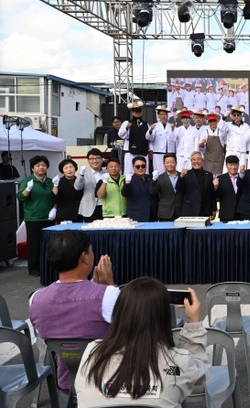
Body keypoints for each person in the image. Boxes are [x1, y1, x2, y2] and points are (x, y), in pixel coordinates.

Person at [75, 277, 208, 407]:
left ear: (120, 312)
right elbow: (200, 372)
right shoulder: (178, 363)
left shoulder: (92, 353)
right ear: (164, 316)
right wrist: (193, 324)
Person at [29, 230, 119, 390]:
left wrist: (96, 286)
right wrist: (110, 285)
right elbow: (133, 326)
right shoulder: (108, 295)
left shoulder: (36, 299)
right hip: (107, 380)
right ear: (84, 257)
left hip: (67, 382)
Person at [17, 155, 55, 276]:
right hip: (33, 217)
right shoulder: (28, 181)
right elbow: (20, 197)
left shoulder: (50, 181)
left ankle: (46, 266)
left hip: (48, 217)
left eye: (43, 165)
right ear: (33, 168)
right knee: (34, 244)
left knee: (48, 243)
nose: (41, 167)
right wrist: (27, 189)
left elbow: (55, 197)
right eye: (38, 165)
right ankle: (33, 268)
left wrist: (54, 209)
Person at [179, 151, 216, 219]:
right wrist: (181, 177)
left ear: (203, 161)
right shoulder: (186, 174)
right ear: (191, 161)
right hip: (189, 210)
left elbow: (212, 194)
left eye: (199, 159)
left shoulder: (209, 175)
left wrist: (213, 209)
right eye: (194, 159)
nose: (196, 161)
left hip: (205, 211)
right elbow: (179, 190)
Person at [118, 101, 150, 175]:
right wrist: (126, 128)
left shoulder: (146, 124)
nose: (137, 114)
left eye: (139, 112)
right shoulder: (126, 123)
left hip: (142, 151)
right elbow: (121, 135)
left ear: (142, 113)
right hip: (130, 151)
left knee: (144, 171)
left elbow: (149, 138)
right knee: (129, 172)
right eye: (135, 112)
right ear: (132, 113)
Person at [75, 148, 106, 222]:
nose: (95, 161)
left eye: (97, 158)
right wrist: (81, 174)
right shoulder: (84, 173)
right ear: (88, 160)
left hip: (105, 207)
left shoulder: (107, 173)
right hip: (89, 208)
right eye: (91, 159)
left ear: (102, 159)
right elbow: (77, 187)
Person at [150, 154, 183, 221]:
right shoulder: (159, 177)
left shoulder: (182, 175)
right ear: (164, 164)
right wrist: (154, 180)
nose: (170, 164)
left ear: (176, 163)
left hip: (181, 211)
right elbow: (153, 192)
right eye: (167, 162)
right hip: (165, 213)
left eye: (172, 162)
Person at [121, 155, 153, 222]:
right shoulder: (130, 180)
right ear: (133, 167)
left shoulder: (151, 178)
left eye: (143, 166)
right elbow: (124, 193)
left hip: (152, 215)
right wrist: (127, 184)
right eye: (138, 166)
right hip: (136, 215)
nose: (140, 168)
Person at [52, 158, 83, 223]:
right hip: (64, 215)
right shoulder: (58, 182)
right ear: (62, 170)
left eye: (71, 167)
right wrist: (55, 186)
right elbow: (54, 197)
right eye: (66, 168)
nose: (69, 170)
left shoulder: (80, 180)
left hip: (79, 214)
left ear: (75, 168)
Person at [222, 105, 249, 174]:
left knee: (241, 171)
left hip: (242, 152)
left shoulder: (246, 126)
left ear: (241, 116)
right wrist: (225, 116)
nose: (236, 116)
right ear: (232, 116)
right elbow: (220, 127)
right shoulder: (228, 125)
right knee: (227, 171)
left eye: (238, 115)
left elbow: (248, 139)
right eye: (234, 115)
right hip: (231, 151)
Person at [146, 105, 172, 174]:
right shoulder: (155, 126)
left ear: (167, 115)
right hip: (158, 153)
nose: (163, 116)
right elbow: (149, 138)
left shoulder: (171, 126)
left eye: (165, 114)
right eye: (161, 114)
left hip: (169, 153)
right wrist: (151, 130)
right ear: (159, 116)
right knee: (158, 172)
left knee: (169, 171)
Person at [198, 112, 226, 177]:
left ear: (217, 122)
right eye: (210, 121)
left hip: (219, 160)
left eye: (214, 121)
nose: (212, 123)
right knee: (208, 177)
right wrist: (202, 144)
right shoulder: (205, 131)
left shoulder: (221, 131)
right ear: (208, 122)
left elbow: (224, 144)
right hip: (208, 160)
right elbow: (201, 146)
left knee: (219, 177)